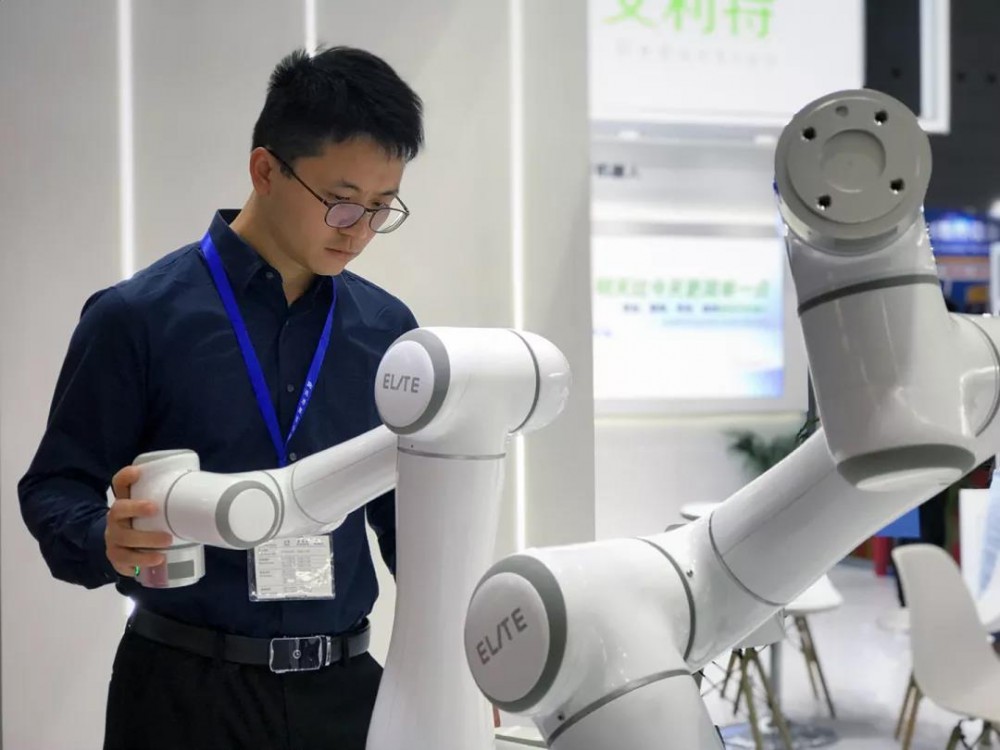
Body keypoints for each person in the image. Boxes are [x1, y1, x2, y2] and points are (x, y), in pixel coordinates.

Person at [18, 46, 423, 750]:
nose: (359, 229)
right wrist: (103, 537)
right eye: (341, 201)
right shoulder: (137, 318)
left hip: (344, 693)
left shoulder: (389, 331)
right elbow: (55, 486)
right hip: (182, 694)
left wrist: (454, 659)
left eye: (381, 208)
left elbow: (411, 525)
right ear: (266, 170)